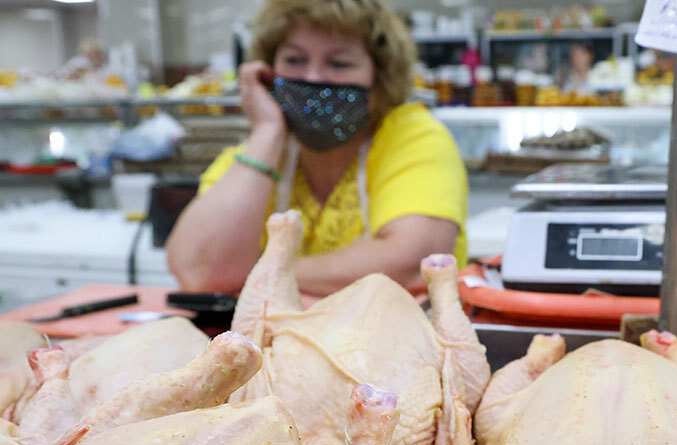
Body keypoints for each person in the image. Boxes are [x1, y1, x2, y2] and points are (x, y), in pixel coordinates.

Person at [166, 0, 468, 296]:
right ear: (269, 72)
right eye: (295, 60)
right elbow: (198, 272)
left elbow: (412, 263)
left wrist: (252, 275)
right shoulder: (259, 152)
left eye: (339, 63)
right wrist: (268, 132)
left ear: (379, 81)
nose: (312, 78)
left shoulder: (412, 136)